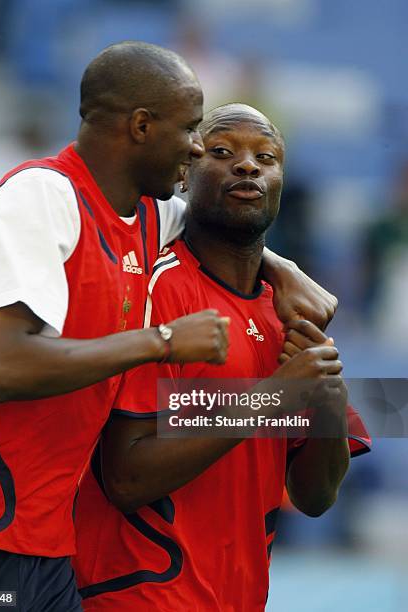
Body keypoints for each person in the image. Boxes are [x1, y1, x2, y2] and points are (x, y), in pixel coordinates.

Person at [0, 40, 336, 609]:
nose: (194, 148)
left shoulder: (147, 218)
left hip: (49, 542)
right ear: (140, 126)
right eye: (192, 134)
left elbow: (225, 218)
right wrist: (165, 346)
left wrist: (285, 268)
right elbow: (1, 366)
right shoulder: (40, 195)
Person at [72, 103, 371, 611]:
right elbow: (125, 478)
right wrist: (273, 398)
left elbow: (315, 497)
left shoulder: (290, 314)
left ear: (280, 182)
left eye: (266, 157)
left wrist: (323, 399)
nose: (248, 165)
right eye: (222, 151)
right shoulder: (152, 289)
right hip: (137, 597)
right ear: (185, 173)